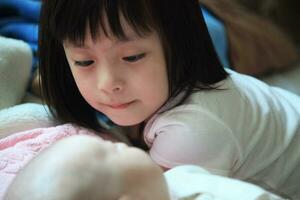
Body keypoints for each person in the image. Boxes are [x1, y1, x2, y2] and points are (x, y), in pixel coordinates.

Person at [38, 0, 300, 199]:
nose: (107, 84)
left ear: (180, 44)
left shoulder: (193, 131)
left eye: (132, 57)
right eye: (84, 62)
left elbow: (151, 191)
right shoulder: (161, 95)